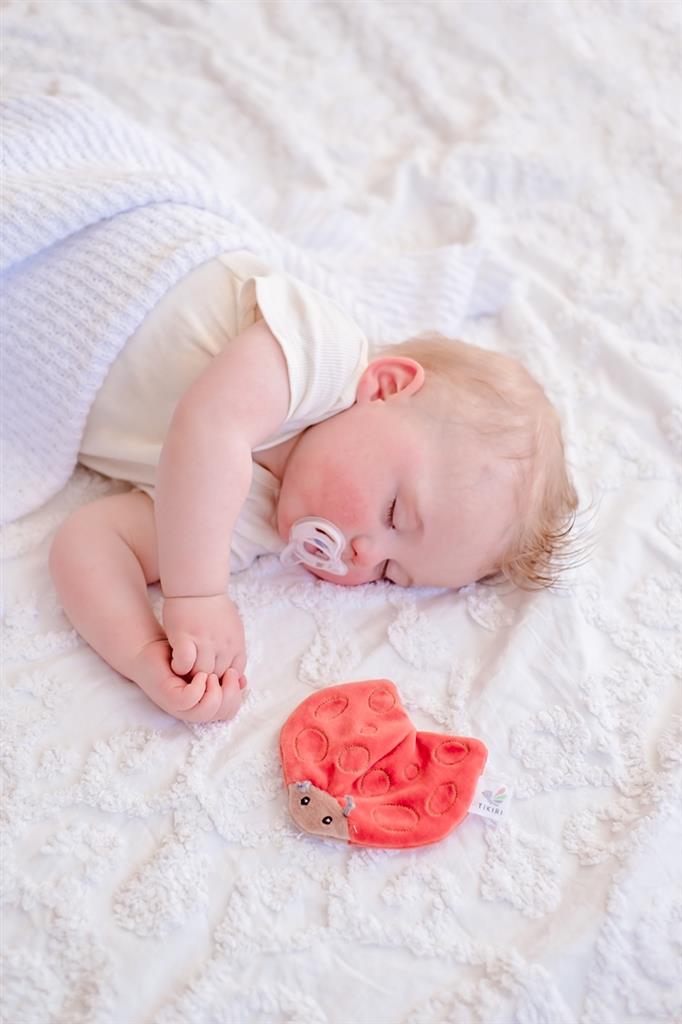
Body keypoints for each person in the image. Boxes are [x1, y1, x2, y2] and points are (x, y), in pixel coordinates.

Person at [48, 251, 578, 724]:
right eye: (395, 513)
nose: (363, 555)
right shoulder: (319, 356)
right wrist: (198, 594)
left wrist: (143, 652)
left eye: (389, 573)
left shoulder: (252, 527)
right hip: (100, 266)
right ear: (385, 388)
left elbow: (92, 542)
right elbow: (210, 426)